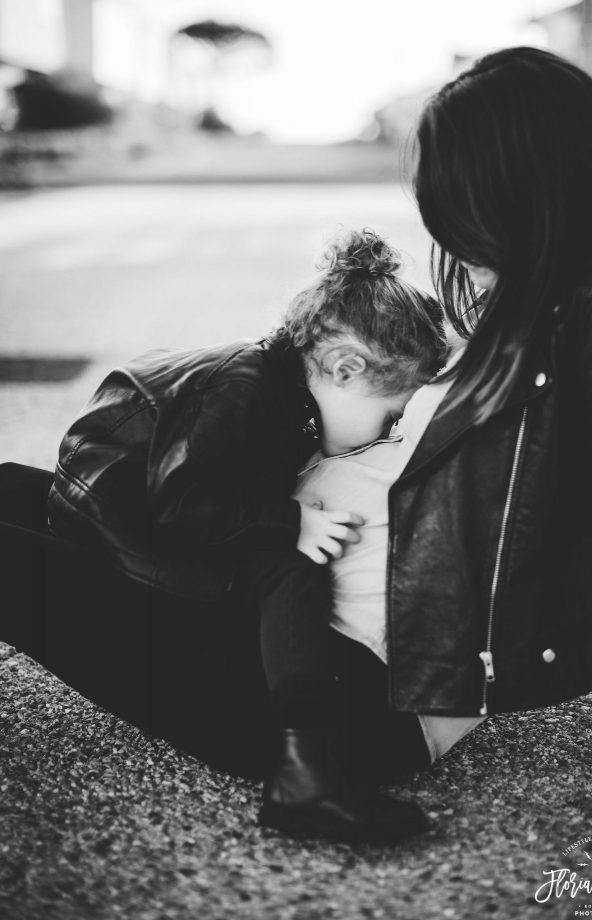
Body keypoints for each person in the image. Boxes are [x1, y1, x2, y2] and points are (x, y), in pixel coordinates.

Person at [0, 229, 447, 843]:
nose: (386, 434)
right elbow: (181, 508)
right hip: (124, 515)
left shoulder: (279, 386)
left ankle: (303, 767)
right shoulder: (245, 393)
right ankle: (304, 776)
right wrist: (295, 522)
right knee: (290, 570)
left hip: (116, 501)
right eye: (390, 415)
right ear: (345, 368)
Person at [381, 45, 592, 811]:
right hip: (395, 657)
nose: (454, 239)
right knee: (32, 502)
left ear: (521, 195)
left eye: (461, 208)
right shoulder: (562, 295)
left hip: (381, 696)